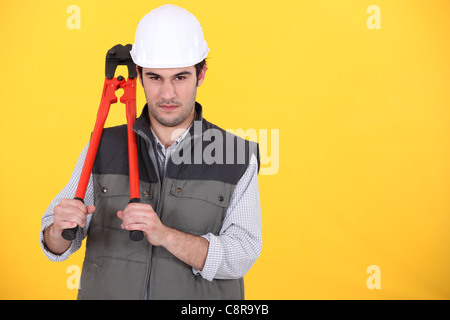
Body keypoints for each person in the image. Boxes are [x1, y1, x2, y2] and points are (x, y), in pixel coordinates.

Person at [40, 4, 262, 300]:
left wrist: (166, 235)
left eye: (180, 77)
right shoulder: (102, 146)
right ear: (139, 75)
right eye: (155, 77)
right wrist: (57, 230)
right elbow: (56, 244)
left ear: (201, 74)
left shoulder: (235, 155)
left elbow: (242, 254)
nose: (167, 94)